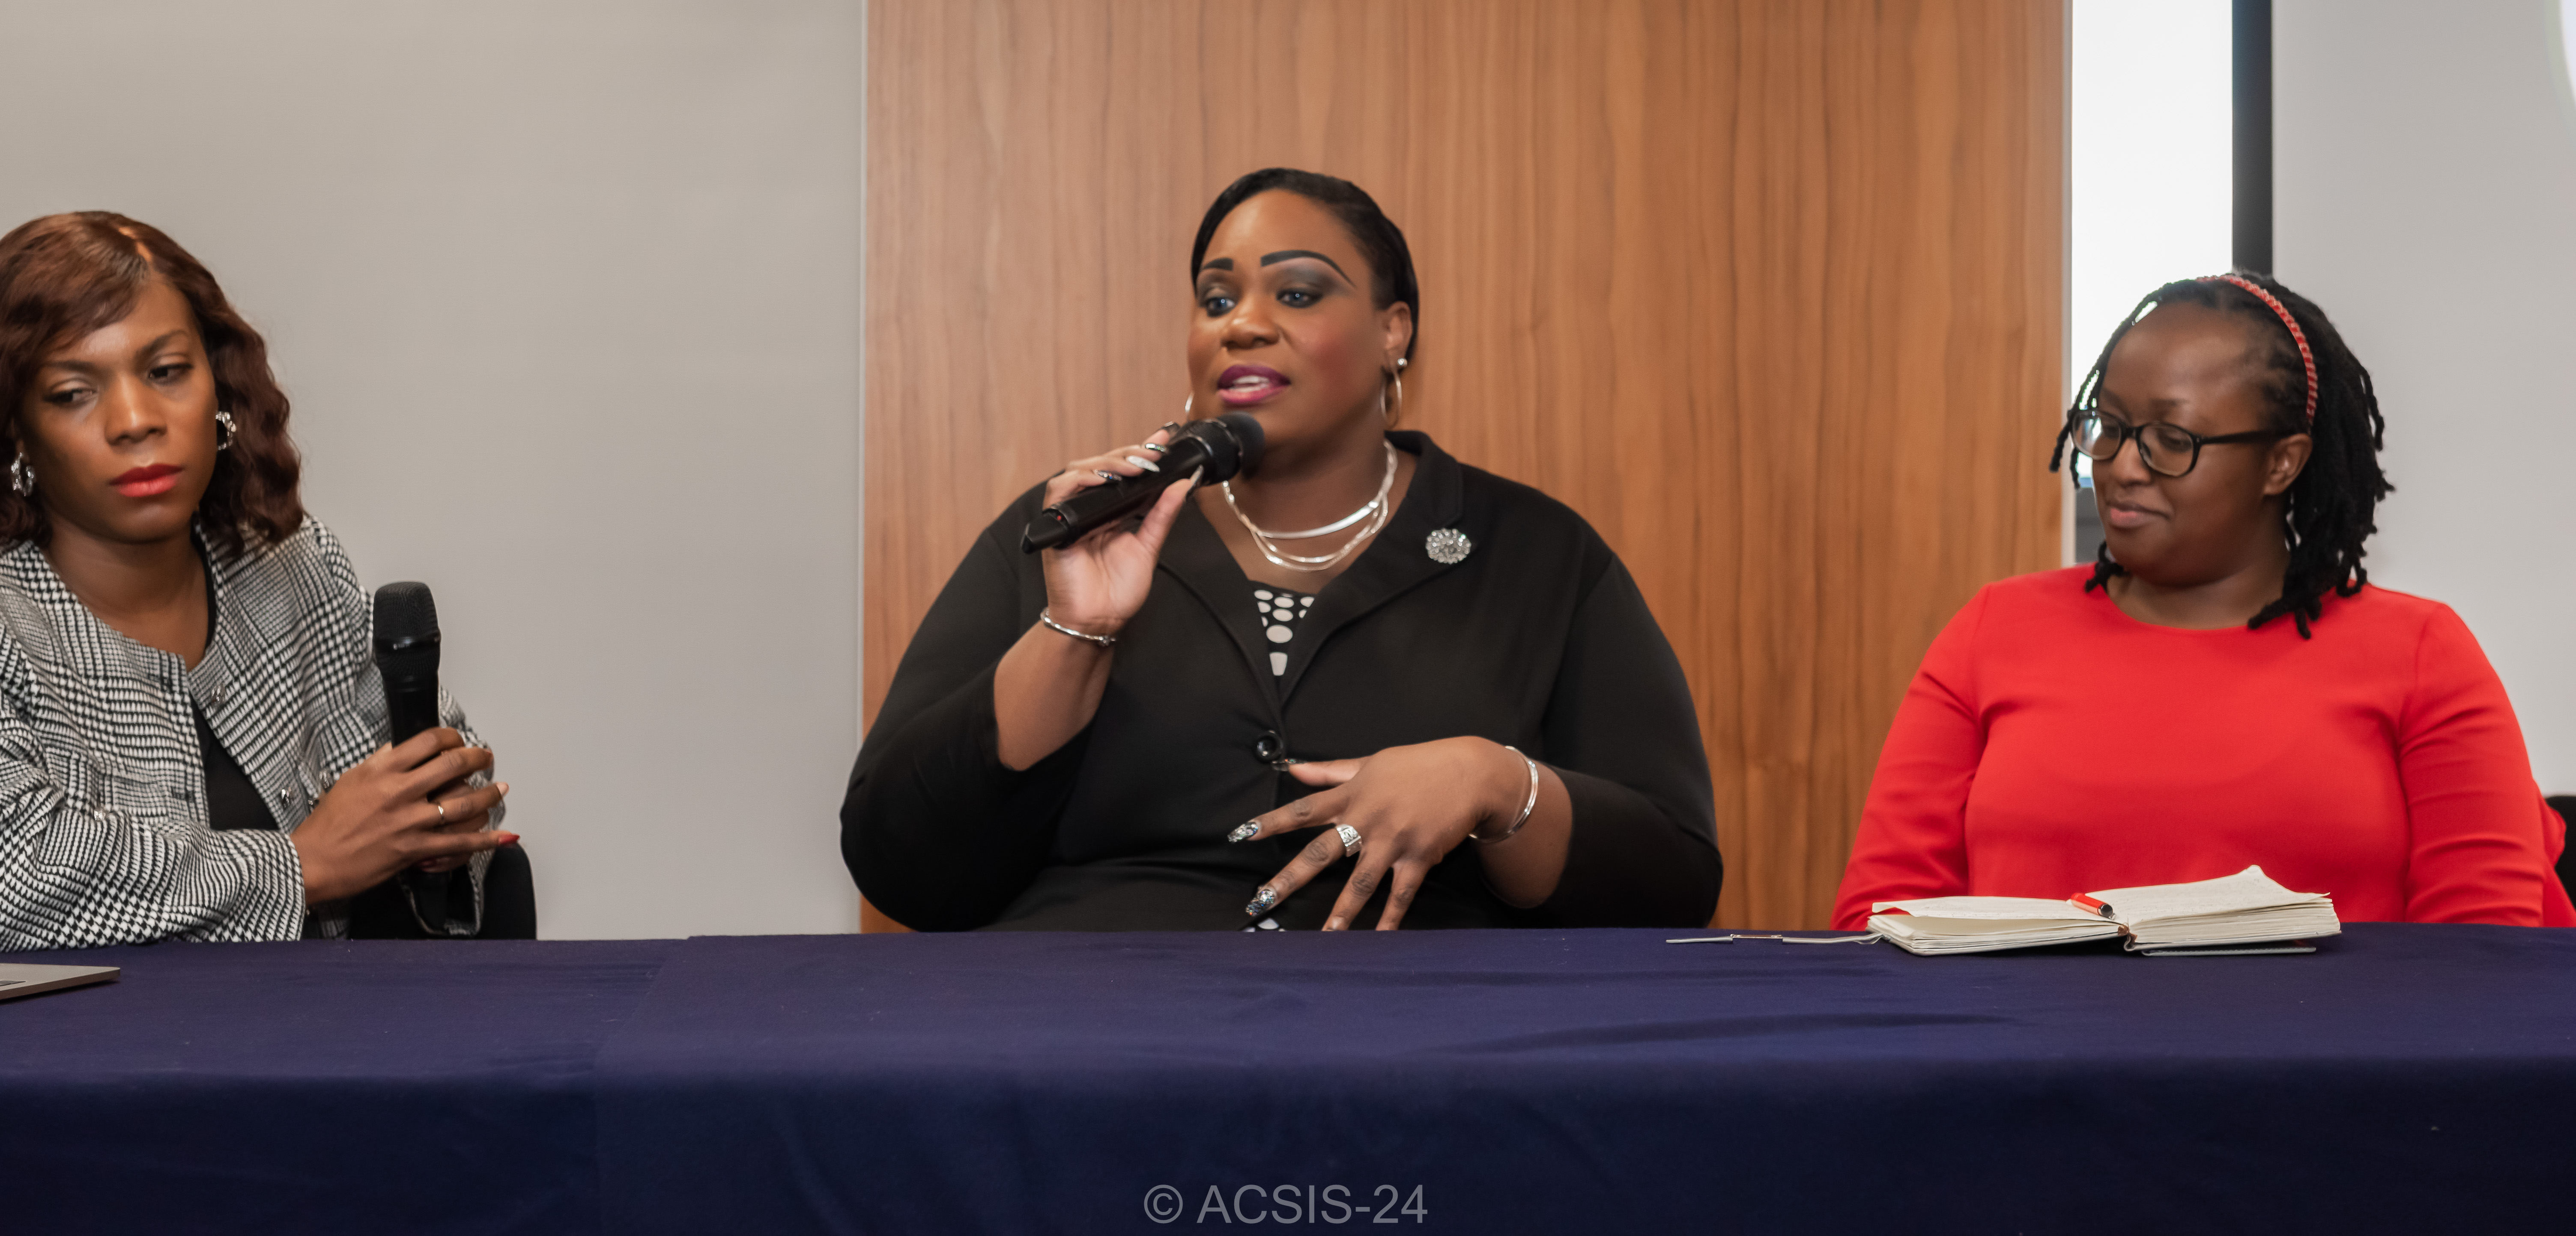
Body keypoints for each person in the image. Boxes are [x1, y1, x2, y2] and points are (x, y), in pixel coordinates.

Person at [843, 169, 1719, 931]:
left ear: (1393, 331)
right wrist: (1075, 631)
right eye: (1216, 300)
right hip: (1096, 1014)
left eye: (1297, 294)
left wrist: (1497, 783)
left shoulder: (1537, 553)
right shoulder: (1074, 529)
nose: (1243, 325)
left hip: (1418, 1029)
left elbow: (1671, 883)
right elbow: (903, 867)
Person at [1833, 273, 2572, 929]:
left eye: (2171, 438)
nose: (2123, 467)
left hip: (2332, 1049)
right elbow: (1884, 920)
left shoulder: (2421, 654)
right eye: (2110, 428)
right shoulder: (1996, 630)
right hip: (2023, 1048)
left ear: (2281, 463)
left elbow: (2486, 956)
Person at [0, 212, 517, 950]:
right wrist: (302, 866)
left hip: (334, 1015)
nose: (135, 420)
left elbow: (422, 770)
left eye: (166, 372)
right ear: (16, 430)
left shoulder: (290, 564)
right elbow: (16, 876)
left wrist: (437, 819)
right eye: (72, 392)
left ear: (219, 387)